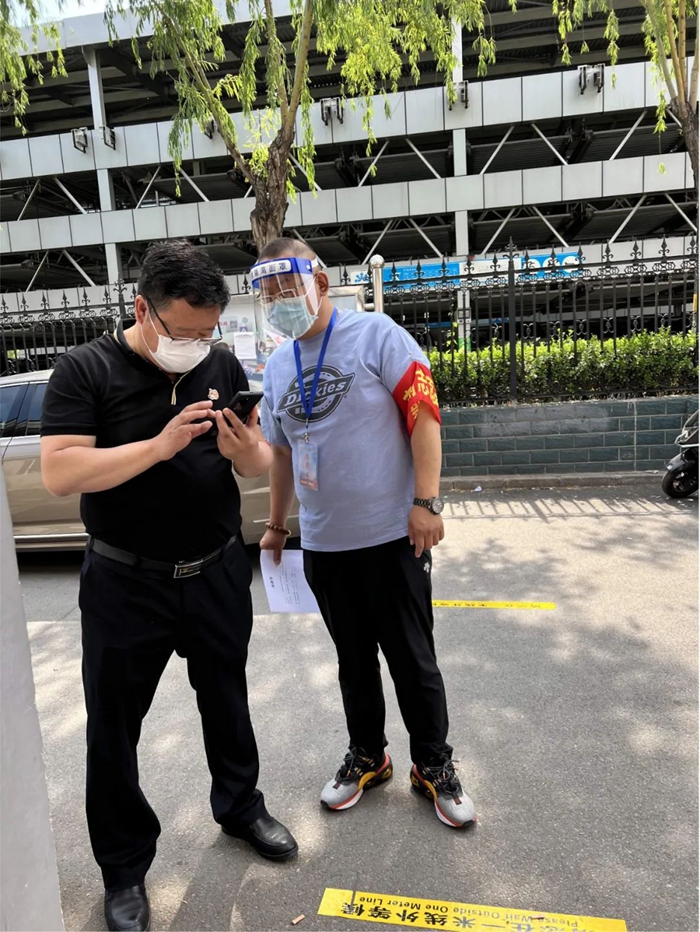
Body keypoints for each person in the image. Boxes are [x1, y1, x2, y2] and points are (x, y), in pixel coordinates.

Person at [40, 241, 297, 932]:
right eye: (182, 331)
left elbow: (257, 459)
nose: (195, 346)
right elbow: (61, 472)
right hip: (126, 581)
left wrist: (248, 452)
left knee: (227, 700)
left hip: (214, 570)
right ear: (141, 309)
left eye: (206, 332)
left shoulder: (220, 363)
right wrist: (158, 446)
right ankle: (124, 868)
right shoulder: (85, 369)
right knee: (114, 729)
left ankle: (240, 807)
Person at [257, 238, 476, 830]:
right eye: (268, 294)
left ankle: (433, 763)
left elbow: (424, 417)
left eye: (287, 288)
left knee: (413, 660)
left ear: (320, 282)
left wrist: (426, 502)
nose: (279, 301)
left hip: (392, 538)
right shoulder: (277, 367)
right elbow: (281, 455)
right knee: (353, 662)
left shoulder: (378, 336)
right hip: (324, 545)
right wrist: (276, 526)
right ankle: (368, 756)